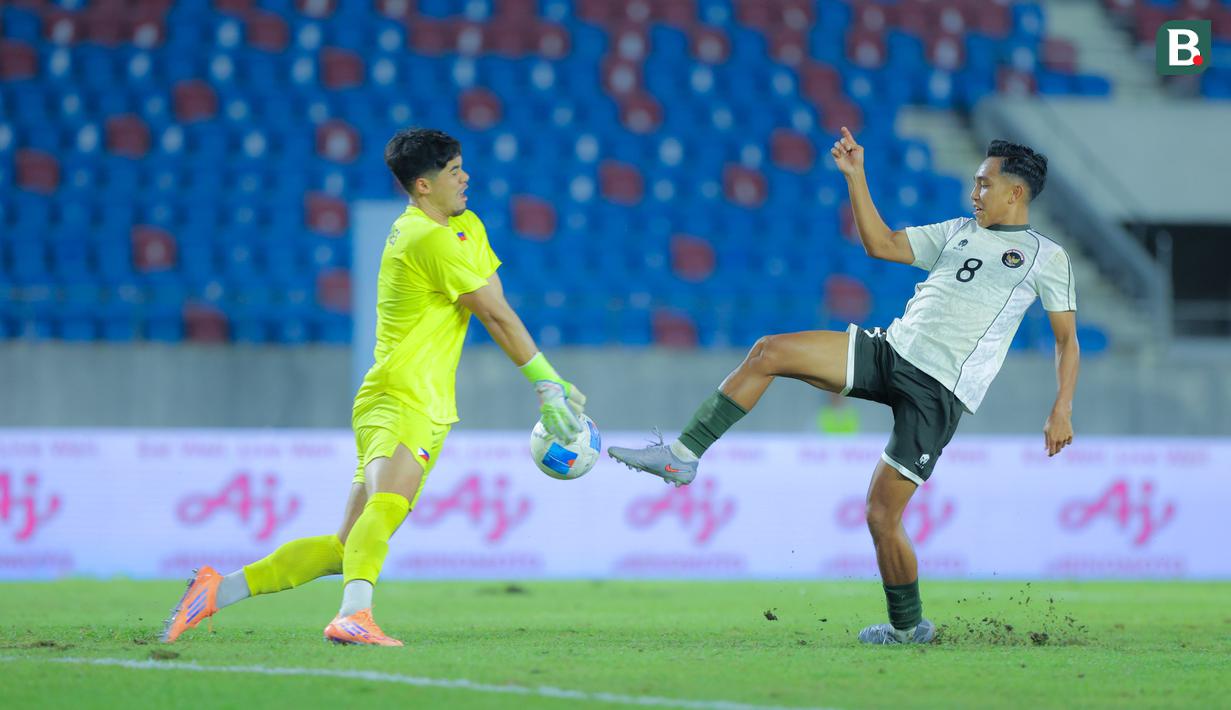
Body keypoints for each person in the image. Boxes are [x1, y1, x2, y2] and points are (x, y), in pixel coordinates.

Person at [609, 127, 1079, 645]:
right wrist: (856, 176)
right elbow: (880, 244)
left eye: (985, 184)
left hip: (938, 391)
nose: (975, 192)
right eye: (975, 182)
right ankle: (682, 454)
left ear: (1016, 193)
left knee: (881, 515)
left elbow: (1066, 341)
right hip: (890, 351)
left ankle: (907, 628)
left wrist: (1062, 408)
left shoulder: (1046, 257)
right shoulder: (956, 231)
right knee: (769, 351)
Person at [162, 128, 587, 646]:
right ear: (424, 186)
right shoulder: (422, 236)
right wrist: (545, 385)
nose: (465, 177)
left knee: (349, 545)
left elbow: (496, 300)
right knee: (387, 506)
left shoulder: (464, 226)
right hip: (401, 395)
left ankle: (216, 590)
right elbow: (493, 315)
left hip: (418, 400)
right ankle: (353, 615)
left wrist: (551, 380)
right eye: (454, 170)